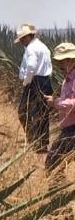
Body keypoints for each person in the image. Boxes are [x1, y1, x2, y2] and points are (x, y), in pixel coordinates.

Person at [15, 23, 53, 152]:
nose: (21, 42)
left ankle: (34, 141)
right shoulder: (43, 47)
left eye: (22, 39)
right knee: (42, 113)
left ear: (27, 37)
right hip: (45, 82)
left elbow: (31, 67)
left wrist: (26, 82)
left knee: (24, 112)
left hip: (35, 82)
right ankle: (41, 143)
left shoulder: (31, 48)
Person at [44, 42, 75, 173]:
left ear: (72, 60)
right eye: (58, 61)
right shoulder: (68, 77)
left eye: (62, 61)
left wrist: (56, 103)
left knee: (52, 163)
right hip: (69, 127)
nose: (59, 65)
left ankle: (57, 191)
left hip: (72, 129)